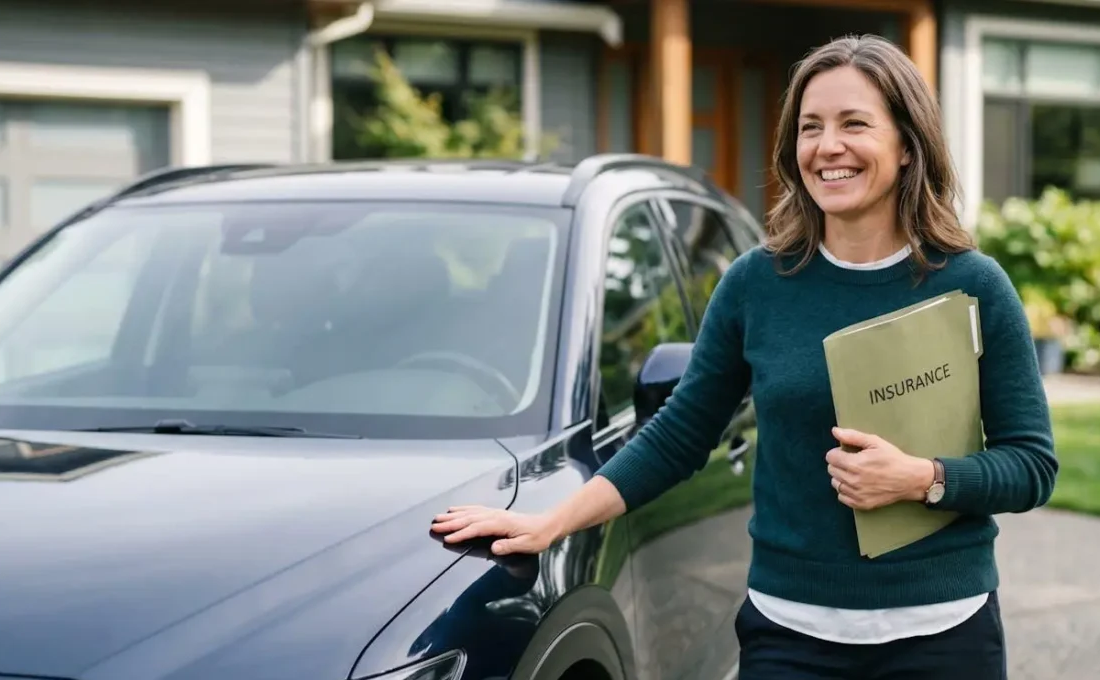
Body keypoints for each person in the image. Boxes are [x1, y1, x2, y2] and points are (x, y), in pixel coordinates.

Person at [432, 33, 1058, 679]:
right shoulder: (757, 284)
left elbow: (1032, 465)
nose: (827, 146)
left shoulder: (973, 285)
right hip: (790, 636)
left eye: (854, 124)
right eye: (810, 127)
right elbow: (678, 435)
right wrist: (549, 522)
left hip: (944, 633)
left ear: (907, 146)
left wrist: (923, 478)